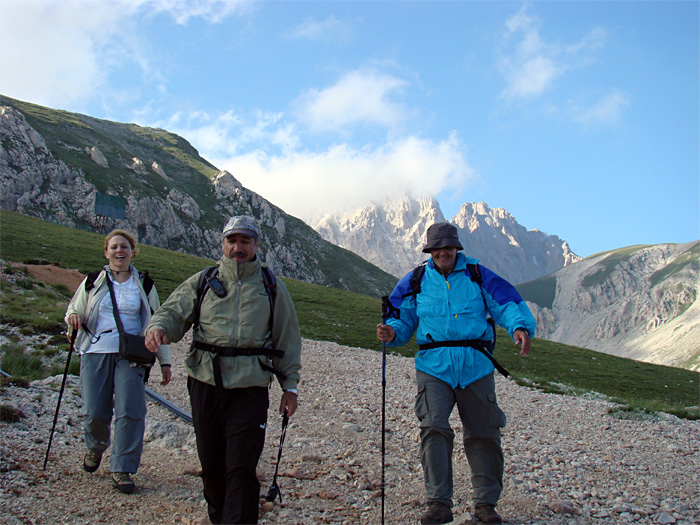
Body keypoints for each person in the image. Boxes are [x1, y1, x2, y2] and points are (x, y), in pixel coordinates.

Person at [145, 215, 302, 525]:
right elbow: (173, 313)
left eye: (245, 241)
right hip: (204, 381)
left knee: (242, 466)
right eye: (232, 241)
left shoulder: (271, 286)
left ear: (257, 245)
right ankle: (219, 517)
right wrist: (159, 328)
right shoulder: (203, 281)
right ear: (223, 244)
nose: (238, 247)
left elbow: (288, 338)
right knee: (212, 464)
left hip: (250, 386)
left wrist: (291, 387)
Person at [376, 222, 536, 525]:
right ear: (429, 251)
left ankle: (485, 505)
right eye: (436, 248)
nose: (442, 252)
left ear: (456, 248)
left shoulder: (478, 274)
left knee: (484, 433)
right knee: (433, 428)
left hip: (476, 365)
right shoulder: (415, 280)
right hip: (433, 366)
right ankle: (438, 504)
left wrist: (519, 327)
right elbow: (400, 319)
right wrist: (390, 332)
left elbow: (507, 302)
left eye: (447, 247)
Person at [65, 229, 171, 494]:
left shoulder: (144, 284)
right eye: (113, 247)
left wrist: (165, 361)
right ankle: (96, 446)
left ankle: (122, 467)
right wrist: (74, 319)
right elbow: (74, 309)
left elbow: (156, 322)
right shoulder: (92, 281)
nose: (119, 251)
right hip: (95, 351)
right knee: (94, 411)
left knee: (130, 410)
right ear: (106, 252)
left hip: (133, 354)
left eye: (124, 247)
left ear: (132, 252)